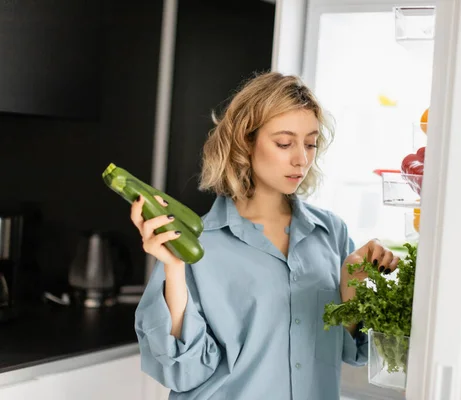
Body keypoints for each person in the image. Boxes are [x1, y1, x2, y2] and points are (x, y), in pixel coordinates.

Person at [132, 72, 400, 400]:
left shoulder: (331, 233)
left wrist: (352, 289)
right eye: (284, 143)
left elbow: (350, 352)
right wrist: (173, 270)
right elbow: (181, 372)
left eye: (311, 143)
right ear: (246, 140)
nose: (301, 158)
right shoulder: (197, 243)